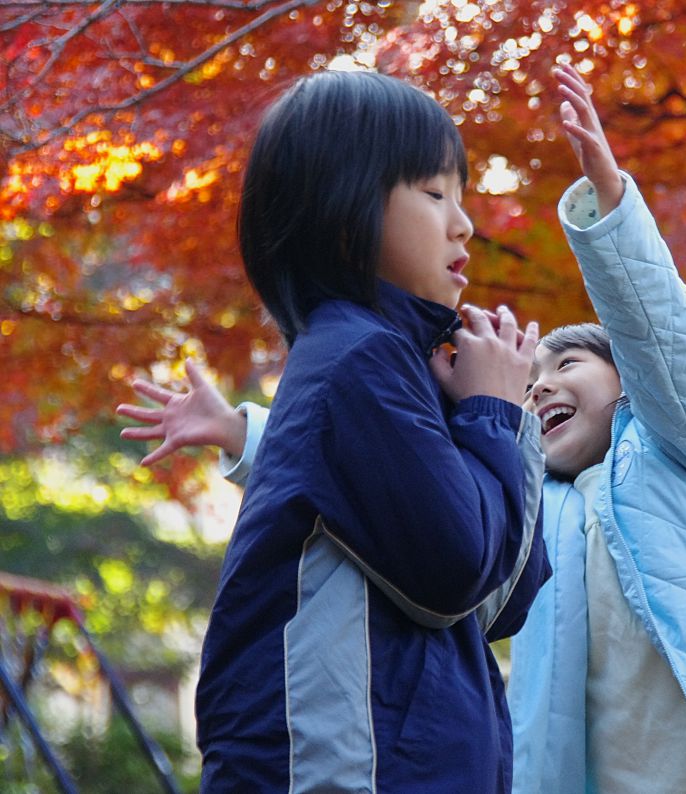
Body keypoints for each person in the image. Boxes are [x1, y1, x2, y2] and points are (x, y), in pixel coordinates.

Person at [120, 65, 686, 794]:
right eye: (434, 194)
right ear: (347, 210)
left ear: (629, 383)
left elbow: (668, 352)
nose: (541, 381)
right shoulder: (511, 476)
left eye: (571, 363)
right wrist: (249, 434)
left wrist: (612, 207)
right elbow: (408, 503)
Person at [127, 70, 550, 793]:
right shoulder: (356, 359)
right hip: (340, 770)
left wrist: (503, 416)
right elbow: (457, 572)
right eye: (435, 192)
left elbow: (503, 597)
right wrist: (492, 414)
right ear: (346, 212)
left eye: (464, 196)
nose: (464, 224)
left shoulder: (398, 367)